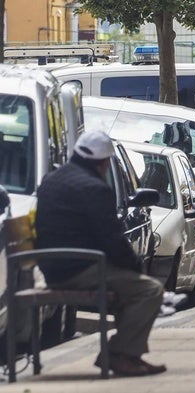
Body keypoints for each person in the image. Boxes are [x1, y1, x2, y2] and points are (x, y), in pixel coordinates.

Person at [34, 131, 166, 377]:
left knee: (131, 288)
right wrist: (136, 266)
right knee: (149, 290)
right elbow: (111, 240)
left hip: (51, 268)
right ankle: (120, 355)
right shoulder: (95, 188)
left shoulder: (51, 180)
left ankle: (130, 354)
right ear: (103, 162)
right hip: (79, 269)